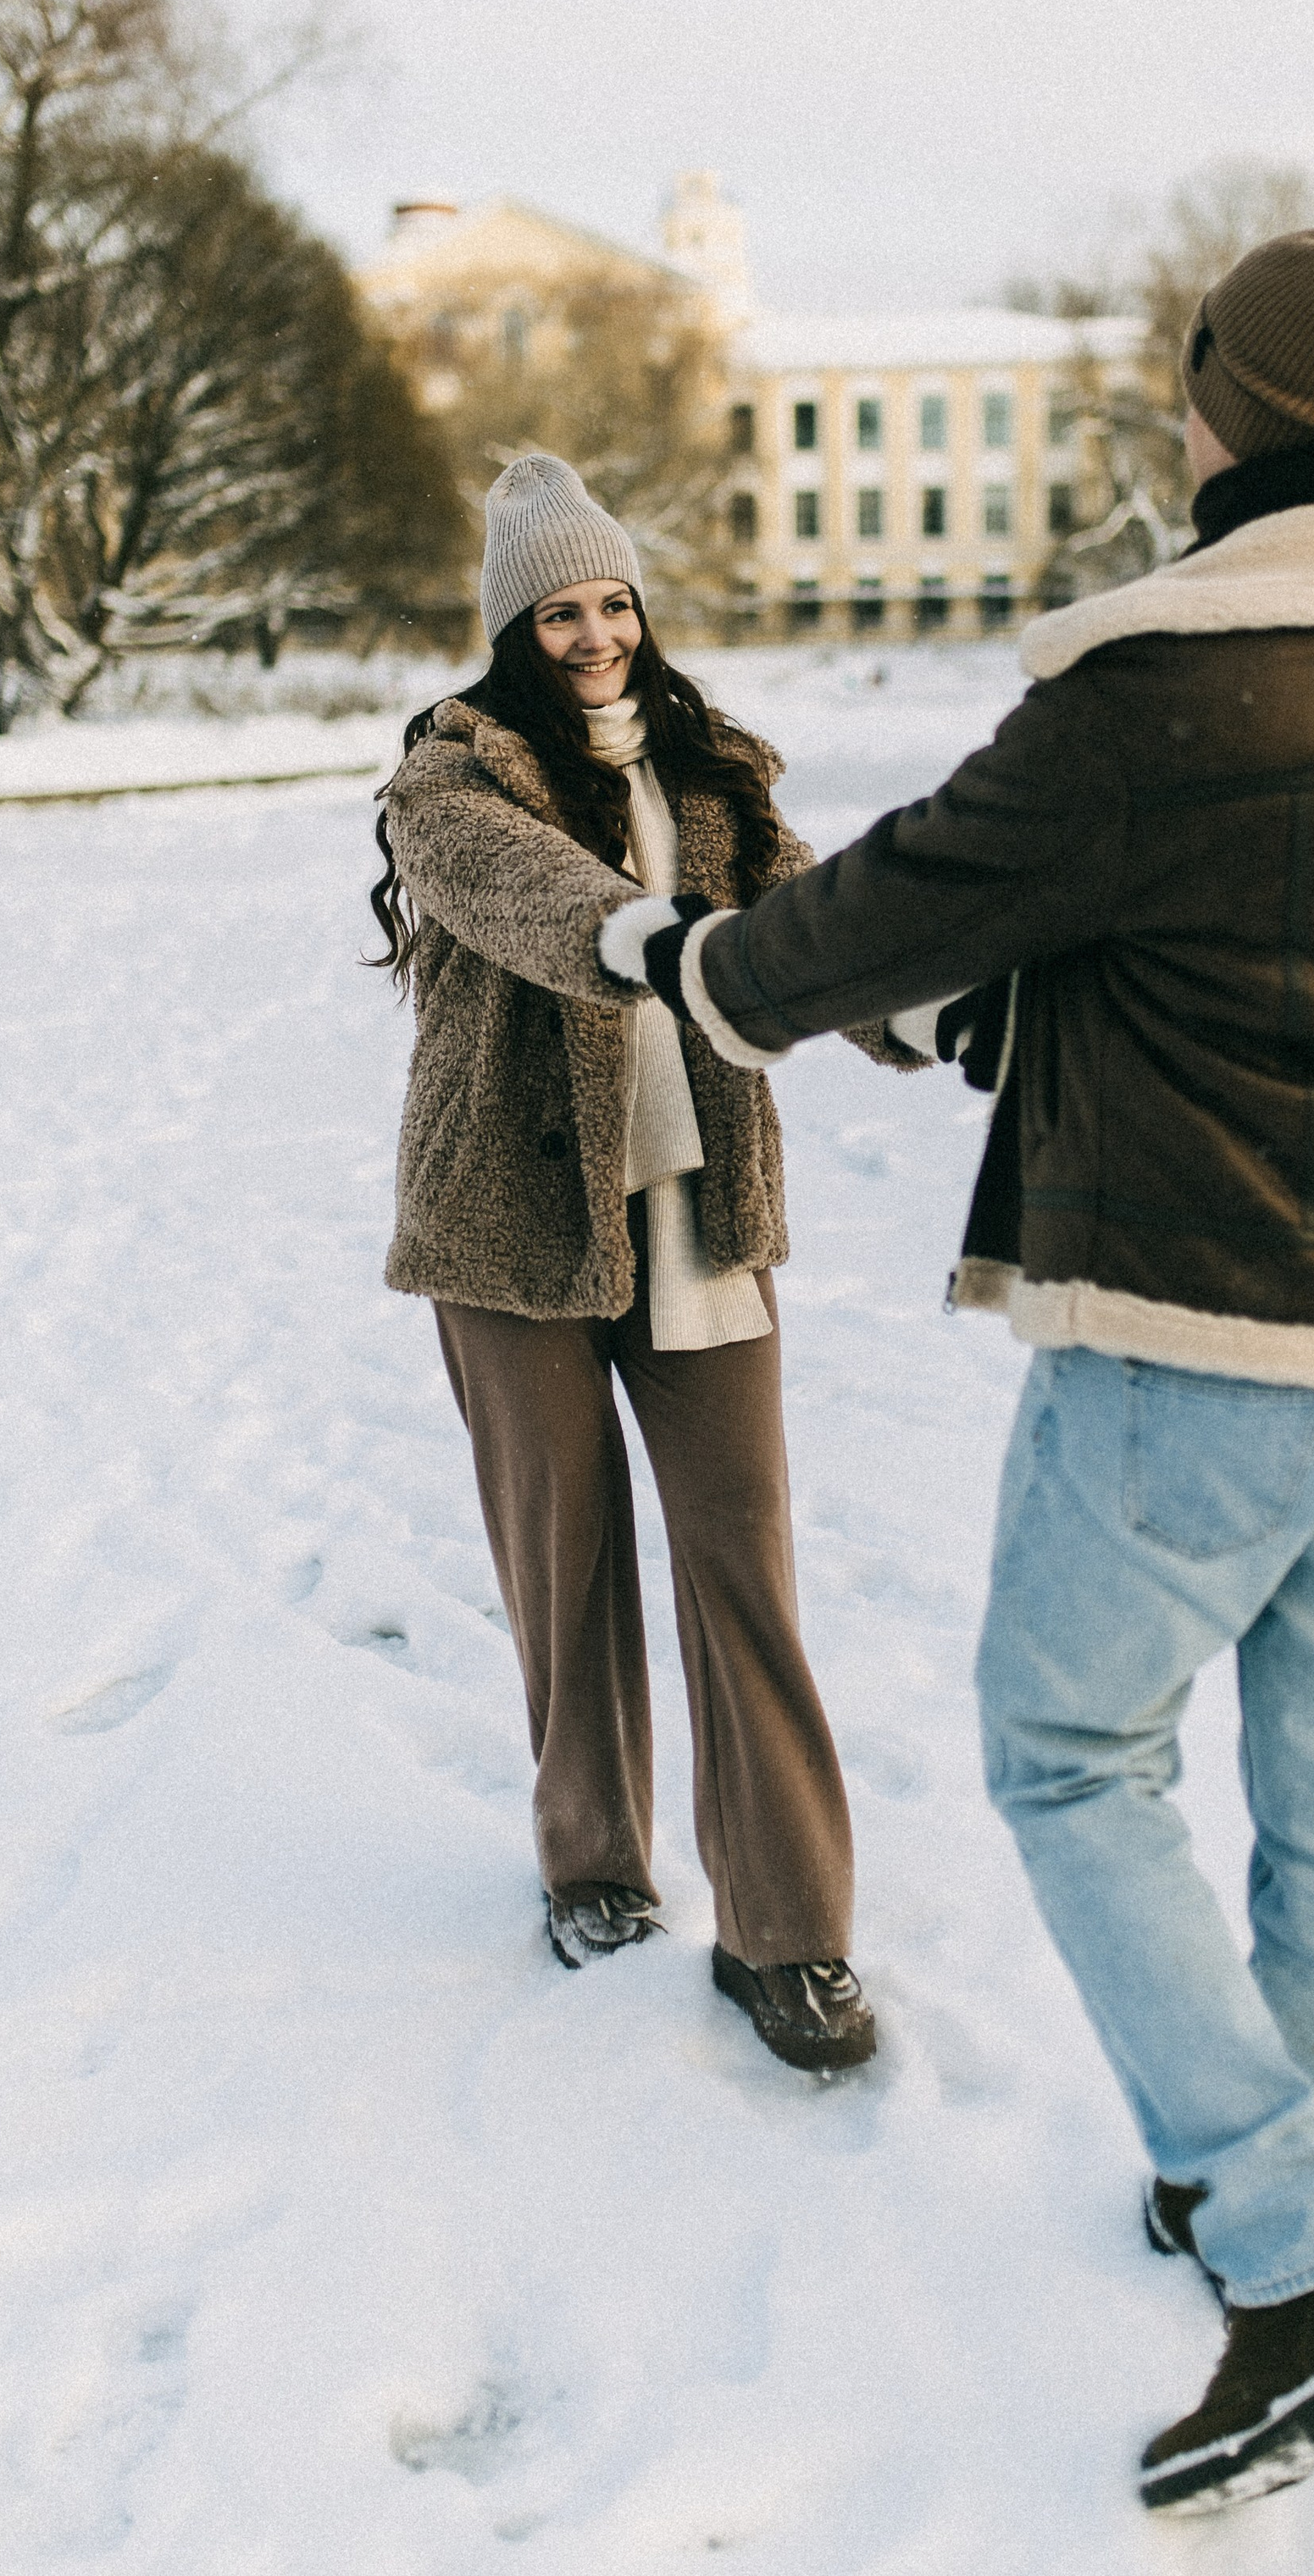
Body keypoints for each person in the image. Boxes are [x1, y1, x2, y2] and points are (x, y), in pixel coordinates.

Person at [603, 229, 1314, 2511]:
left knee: (1065, 1747)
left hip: (1211, 1330)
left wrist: (702, 959)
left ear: (1233, 410)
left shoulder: (1166, 692)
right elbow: (1273, 944)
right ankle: (1263, 2166)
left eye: (1197, 383)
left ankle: (1296, 2270)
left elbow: (909, 892)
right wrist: (1009, 1009)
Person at [370, 452, 914, 2072]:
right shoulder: (451, 781)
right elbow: (529, 899)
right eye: (560, 610)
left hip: (698, 1211)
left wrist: (925, 1004)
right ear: (511, 629)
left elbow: (812, 931)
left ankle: (792, 1934)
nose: (596, 632)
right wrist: (654, 938)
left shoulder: (714, 778)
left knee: (742, 1553)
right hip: (513, 1222)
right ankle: (596, 1866)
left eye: (613, 601)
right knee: (573, 1559)